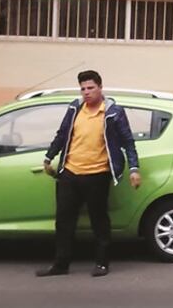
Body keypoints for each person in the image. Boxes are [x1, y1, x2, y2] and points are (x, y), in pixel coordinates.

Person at [36, 70, 140, 278]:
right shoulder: (75, 109)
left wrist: (134, 169)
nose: (86, 92)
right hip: (70, 173)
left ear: (100, 88)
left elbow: (128, 142)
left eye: (90, 88)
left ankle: (102, 263)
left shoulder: (113, 112)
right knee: (64, 221)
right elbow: (62, 134)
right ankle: (61, 264)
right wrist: (49, 158)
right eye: (83, 88)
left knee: (99, 220)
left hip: (97, 175)